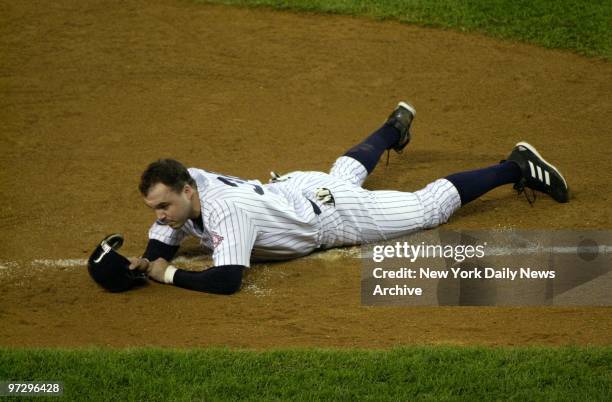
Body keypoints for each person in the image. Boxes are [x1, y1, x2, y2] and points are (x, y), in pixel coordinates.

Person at [128, 102, 569, 294]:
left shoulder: (226, 210)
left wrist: (166, 275)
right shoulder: (187, 184)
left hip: (333, 216)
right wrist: (145, 260)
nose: (162, 216)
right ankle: (393, 130)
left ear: (187, 191)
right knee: (342, 174)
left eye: (165, 206)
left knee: (425, 208)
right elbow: (164, 236)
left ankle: (516, 165)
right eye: (156, 209)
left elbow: (226, 282)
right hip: (296, 188)